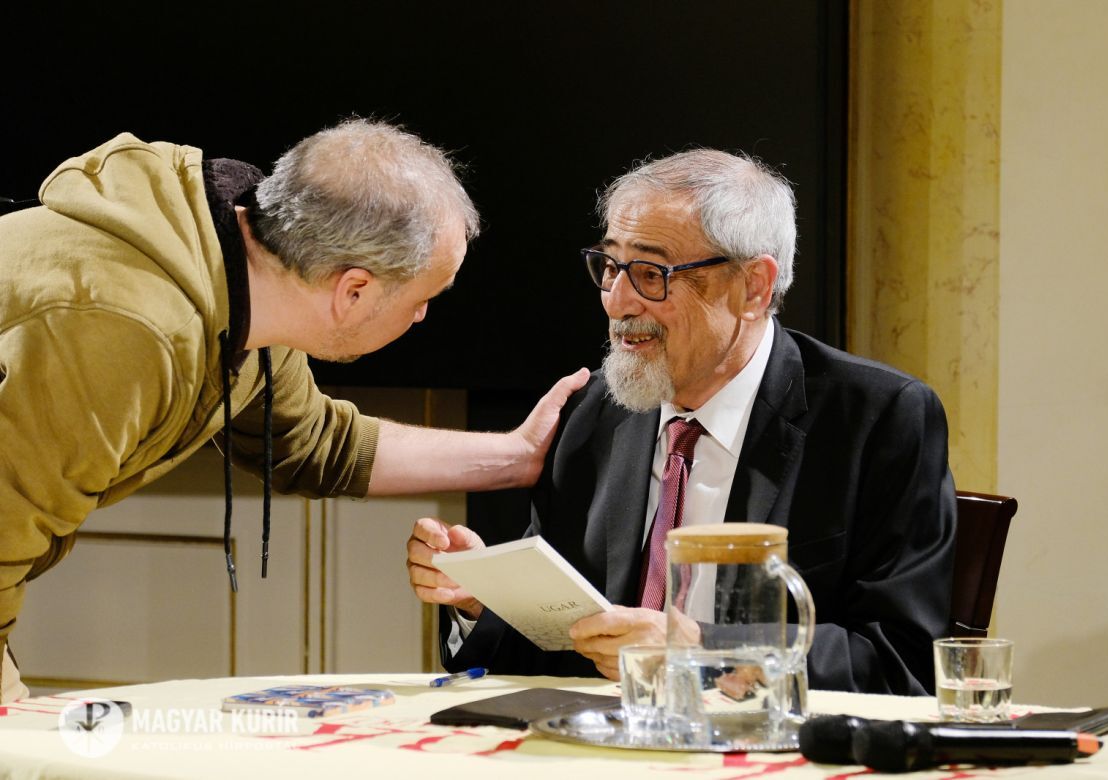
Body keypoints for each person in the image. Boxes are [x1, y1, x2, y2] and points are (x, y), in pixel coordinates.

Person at [0, 119, 588, 702]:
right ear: (353, 291)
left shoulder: (249, 280)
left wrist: (517, 456)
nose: (421, 317)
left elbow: (315, 444)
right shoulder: (130, 330)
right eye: (422, 298)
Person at [406, 149, 956, 695]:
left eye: (651, 274)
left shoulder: (877, 420)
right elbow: (560, 651)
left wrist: (707, 652)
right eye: (610, 267)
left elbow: (901, 663)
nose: (617, 302)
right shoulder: (590, 414)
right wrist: (482, 600)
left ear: (753, 287)